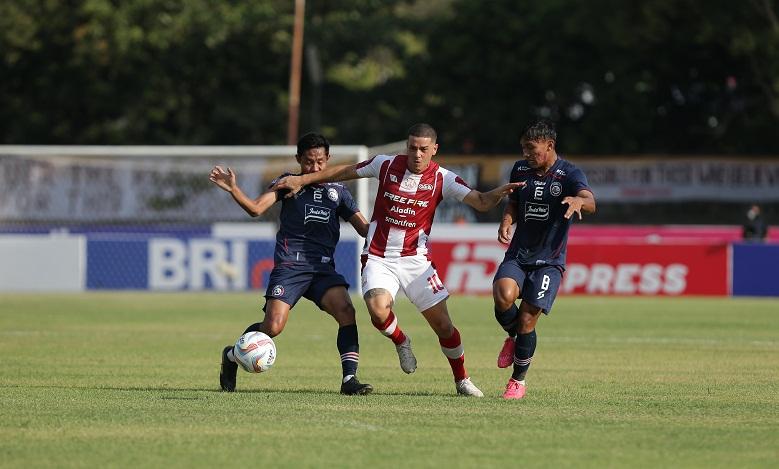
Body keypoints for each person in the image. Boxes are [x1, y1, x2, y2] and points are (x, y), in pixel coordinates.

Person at [273, 123, 523, 397]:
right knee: (378, 311)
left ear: (434, 150)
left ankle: (462, 379)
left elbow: (481, 201)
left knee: (444, 326)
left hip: (416, 260)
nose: (417, 154)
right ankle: (401, 341)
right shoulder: (384, 164)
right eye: (412, 147)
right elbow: (342, 172)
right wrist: (301, 180)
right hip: (379, 257)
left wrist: (499, 193)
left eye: (423, 149)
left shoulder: (443, 179)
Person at [210, 133, 373, 395]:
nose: (315, 167)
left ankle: (349, 380)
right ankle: (231, 356)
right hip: (290, 266)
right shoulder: (287, 183)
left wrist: (390, 222)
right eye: (309, 162)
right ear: (299, 159)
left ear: (328, 159)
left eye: (320, 161)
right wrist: (233, 189)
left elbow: (365, 229)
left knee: (346, 310)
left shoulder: (339, 191)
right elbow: (255, 209)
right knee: (273, 326)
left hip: (322, 268)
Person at [492, 119, 596, 400]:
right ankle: (514, 339)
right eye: (524, 149)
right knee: (503, 295)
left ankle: (518, 381)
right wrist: (506, 220)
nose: (526, 154)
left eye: (531, 149)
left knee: (527, 319)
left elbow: (590, 200)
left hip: (549, 260)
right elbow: (514, 201)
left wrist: (578, 202)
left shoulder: (569, 174)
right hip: (518, 253)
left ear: (549, 146)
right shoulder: (521, 169)